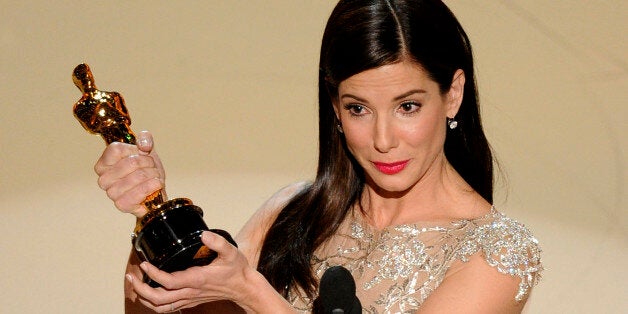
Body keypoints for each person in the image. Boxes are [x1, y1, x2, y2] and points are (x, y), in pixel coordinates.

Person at [94, 0, 542, 313]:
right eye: (358, 109)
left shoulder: (497, 253)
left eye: (408, 106)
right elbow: (164, 309)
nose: (383, 139)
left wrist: (252, 292)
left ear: (453, 95)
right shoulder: (294, 210)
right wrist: (152, 214)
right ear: (335, 106)